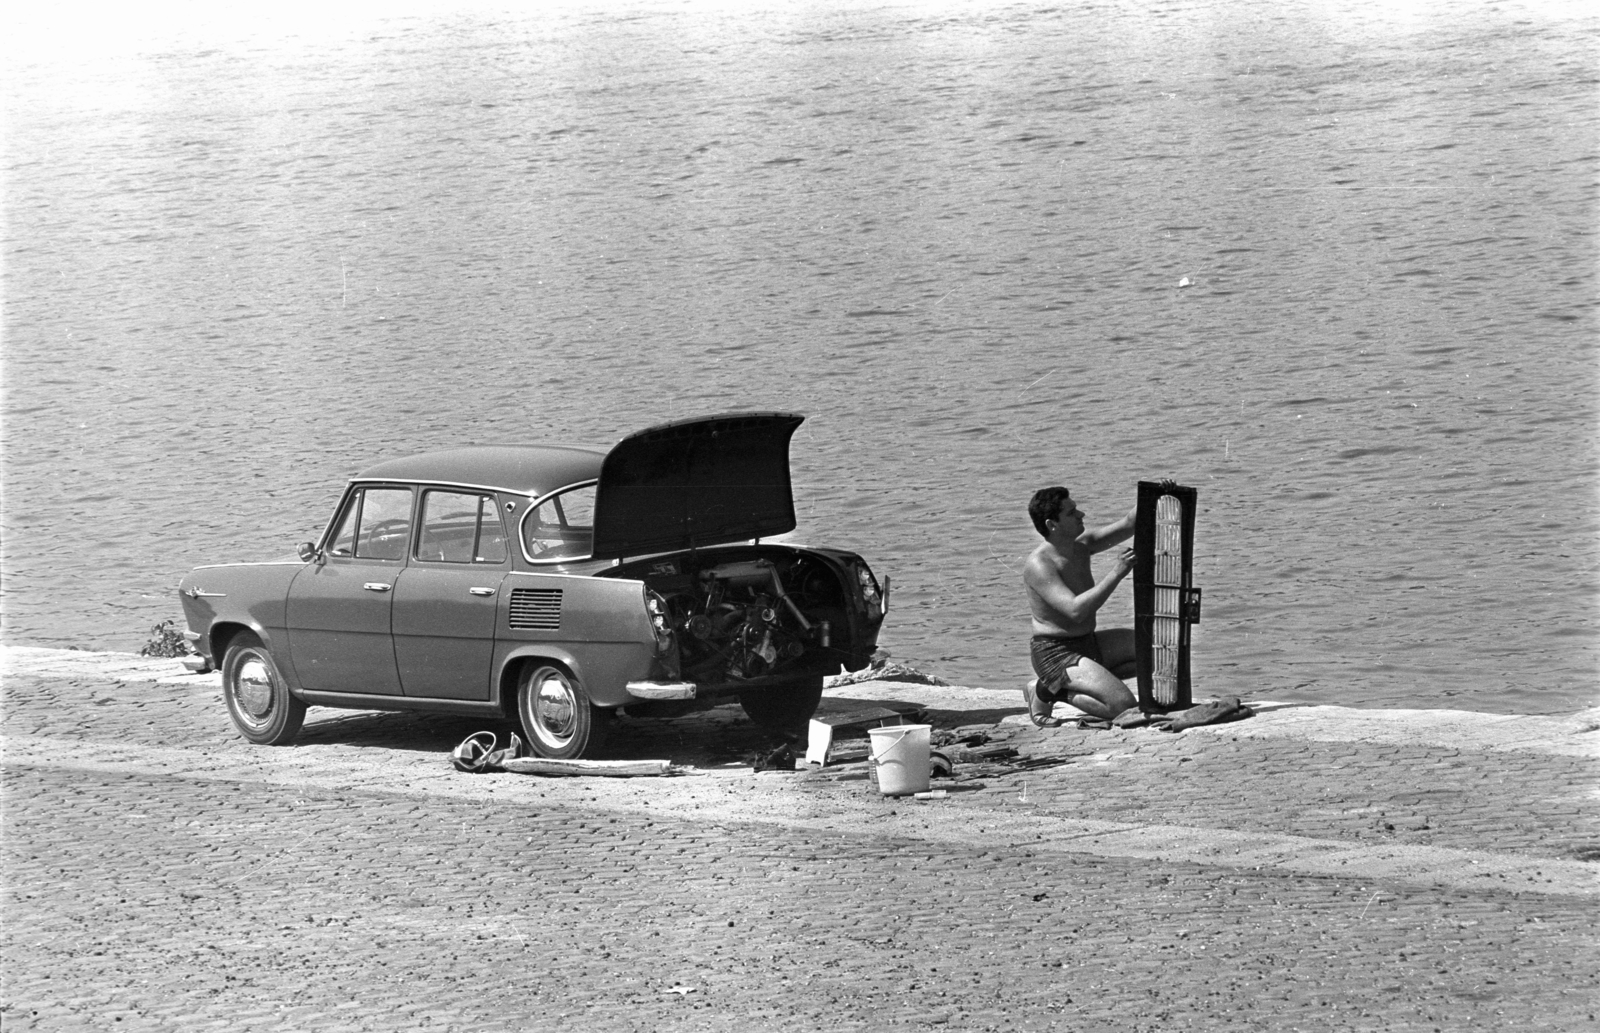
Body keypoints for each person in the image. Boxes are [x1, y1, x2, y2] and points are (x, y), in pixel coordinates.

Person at [1023, 485, 1139, 725]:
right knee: (1123, 707)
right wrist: (1117, 572)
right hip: (1057, 654)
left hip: (1089, 643)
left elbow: (1130, 524)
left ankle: (1088, 682)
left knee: (1154, 650)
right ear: (1052, 525)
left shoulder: (1082, 545)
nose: (1081, 515)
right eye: (1071, 512)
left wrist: (1157, 494)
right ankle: (1046, 690)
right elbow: (1075, 611)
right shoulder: (1040, 564)